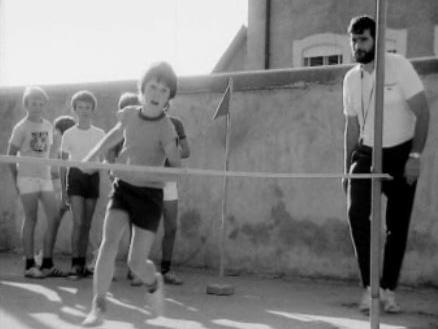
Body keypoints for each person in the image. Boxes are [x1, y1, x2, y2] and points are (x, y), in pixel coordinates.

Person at [81, 62, 181, 326]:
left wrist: (161, 171)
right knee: (108, 242)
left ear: (169, 97)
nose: (157, 93)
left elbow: (175, 166)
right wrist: (90, 158)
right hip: (123, 188)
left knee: (136, 263)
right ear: (142, 90)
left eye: (163, 90)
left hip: (150, 195)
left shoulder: (167, 127)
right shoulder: (128, 115)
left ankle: (153, 282)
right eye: (152, 87)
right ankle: (98, 306)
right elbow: (111, 139)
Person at [343, 15, 430, 314]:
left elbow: (423, 113)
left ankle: (389, 291)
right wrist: (346, 168)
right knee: (356, 214)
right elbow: (351, 128)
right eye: (353, 40)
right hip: (367, 154)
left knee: (397, 226)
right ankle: (371, 288)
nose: (357, 46)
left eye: (363, 39)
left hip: (401, 153)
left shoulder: (400, 67)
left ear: (377, 41)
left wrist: (415, 157)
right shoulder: (351, 78)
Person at [7, 86, 67, 278]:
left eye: (41, 103)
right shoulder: (21, 127)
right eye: (34, 103)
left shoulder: (48, 126)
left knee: (54, 217)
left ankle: (47, 263)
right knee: (31, 218)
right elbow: (10, 155)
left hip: (45, 178)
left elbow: (49, 154)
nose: (38, 106)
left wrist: (54, 174)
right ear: (27, 104)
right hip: (27, 178)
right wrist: (17, 179)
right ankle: (29, 264)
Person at [60, 91, 105, 279]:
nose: (84, 110)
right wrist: (64, 192)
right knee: (78, 223)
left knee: (86, 224)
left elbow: (103, 161)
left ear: (92, 109)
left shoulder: (100, 133)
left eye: (87, 107)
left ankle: (84, 264)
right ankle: (74, 264)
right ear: (75, 109)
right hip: (76, 178)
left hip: (92, 179)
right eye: (80, 107)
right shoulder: (69, 134)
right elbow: (62, 164)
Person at [160, 106, 190, 285]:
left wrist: (170, 153)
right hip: (147, 181)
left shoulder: (176, 123)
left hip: (169, 181)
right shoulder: (142, 122)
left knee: (171, 227)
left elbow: (186, 151)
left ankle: (166, 270)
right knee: (141, 227)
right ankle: (135, 271)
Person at [52, 115, 76, 218]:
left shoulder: (53, 142)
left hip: (55, 183)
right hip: (63, 184)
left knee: (54, 221)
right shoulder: (68, 143)